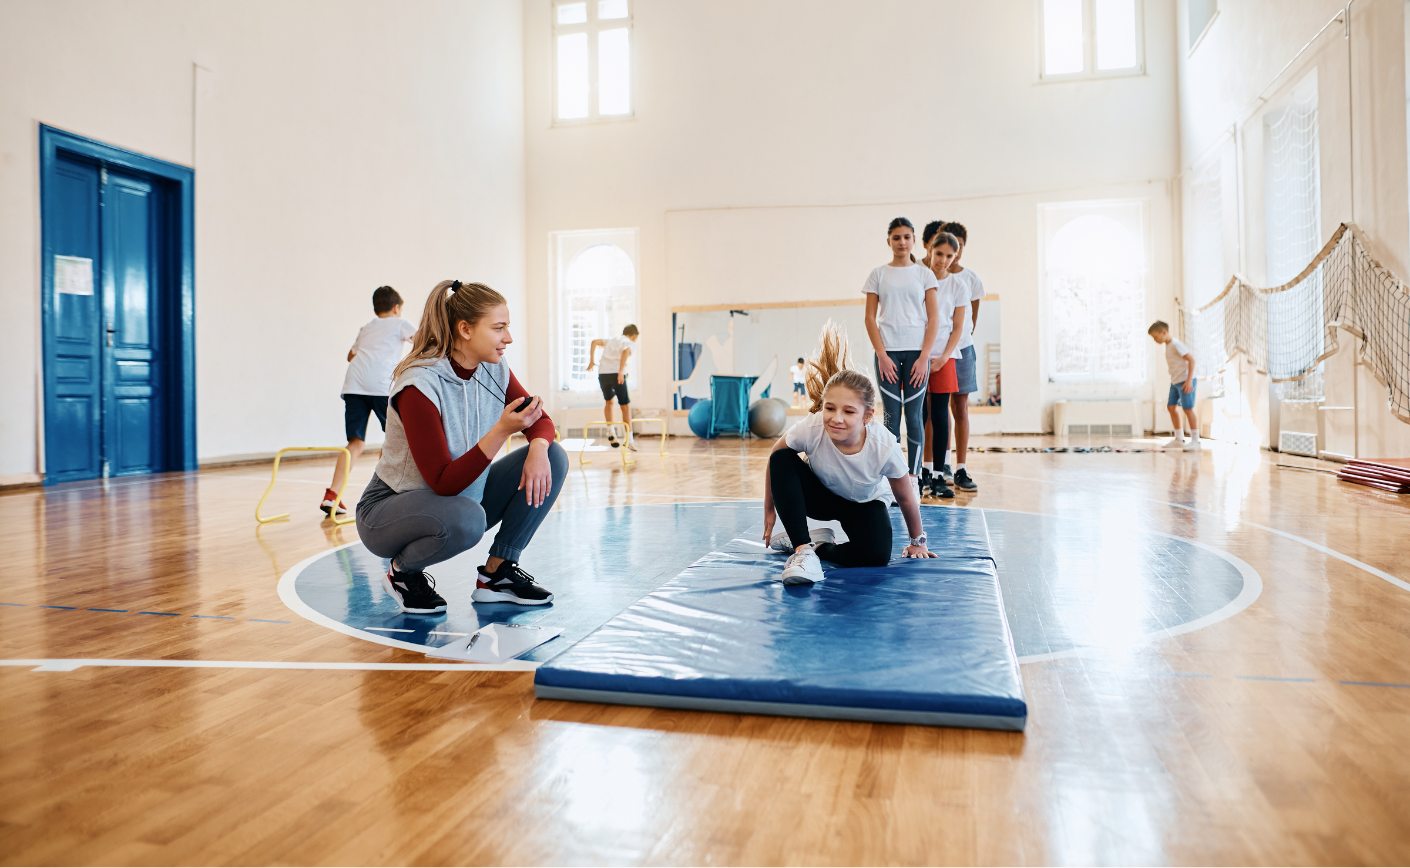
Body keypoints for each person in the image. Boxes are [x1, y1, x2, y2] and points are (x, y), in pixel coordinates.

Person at [355, 280, 569, 613]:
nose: (508, 338)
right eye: (499, 328)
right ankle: (402, 574)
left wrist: (538, 449)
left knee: (553, 456)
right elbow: (443, 482)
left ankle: (497, 574)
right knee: (469, 519)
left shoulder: (494, 367)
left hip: (459, 499)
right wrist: (501, 431)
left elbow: (539, 421)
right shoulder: (418, 385)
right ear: (466, 329)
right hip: (386, 512)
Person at [761, 323, 936, 585]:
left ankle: (819, 547)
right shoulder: (813, 426)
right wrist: (769, 510)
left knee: (875, 556)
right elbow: (776, 460)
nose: (837, 419)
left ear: (867, 416)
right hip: (820, 497)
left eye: (849, 411)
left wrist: (917, 542)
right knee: (782, 457)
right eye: (830, 408)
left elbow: (906, 498)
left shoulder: (884, 445)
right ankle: (802, 549)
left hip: (862, 504)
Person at [322, 286, 416, 517]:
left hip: (354, 385)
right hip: (381, 386)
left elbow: (350, 356)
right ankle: (385, 493)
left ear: (376, 310)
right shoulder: (400, 323)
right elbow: (424, 341)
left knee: (355, 443)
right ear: (397, 308)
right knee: (394, 439)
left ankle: (332, 495)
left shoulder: (367, 327)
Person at [863, 217, 941, 480]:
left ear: (914, 240)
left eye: (907, 237)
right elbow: (869, 319)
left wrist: (924, 356)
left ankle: (915, 479)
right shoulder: (878, 274)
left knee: (915, 417)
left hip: (917, 354)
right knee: (891, 418)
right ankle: (893, 479)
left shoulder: (925, 274)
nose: (902, 242)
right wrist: (882, 355)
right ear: (889, 241)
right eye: (896, 237)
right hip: (888, 354)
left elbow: (934, 319)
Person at [940, 221, 985, 493]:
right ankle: (943, 465)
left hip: (964, 349)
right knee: (939, 409)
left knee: (961, 409)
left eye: (959, 246)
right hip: (940, 351)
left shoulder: (971, 279)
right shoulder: (932, 276)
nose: (954, 252)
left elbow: (972, 318)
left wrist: (961, 339)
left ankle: (961, 468)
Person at [923, 232, 968, 499]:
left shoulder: (958, 286)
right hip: (918, 356)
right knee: (920, 417)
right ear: (929, 250)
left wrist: (943, 357)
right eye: (939, 253)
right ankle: (921, 472)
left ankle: (939, 475)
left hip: (944, 357)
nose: (942, 260)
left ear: (955, 257)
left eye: (949, 256)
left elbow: (958, 327)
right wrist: (922, 355)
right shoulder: (919, 278)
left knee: (940, 417)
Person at [1149, 321, 1200, 451]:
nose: (1155, 340)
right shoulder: (1168, 345)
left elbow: (1191, 360)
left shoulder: (1176, 344)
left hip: (1185, 381)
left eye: (1155, 337)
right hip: (1175, 381)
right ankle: (1179, 439)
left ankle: (1195, 440)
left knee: (1188, 409)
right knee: (1171, 407)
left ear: (1164, 332)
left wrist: (1189, 381)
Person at [586, 324, 640, 450]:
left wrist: (592, 361)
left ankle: (610, 431)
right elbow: (626, 351)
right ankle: (630, 440)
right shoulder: (629, 342)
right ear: (633, 336)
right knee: (625, 406)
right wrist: (621, 371)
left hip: (603, 374)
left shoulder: (611, 340)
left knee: (609, 402)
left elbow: (594, 342)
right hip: (617, 374)